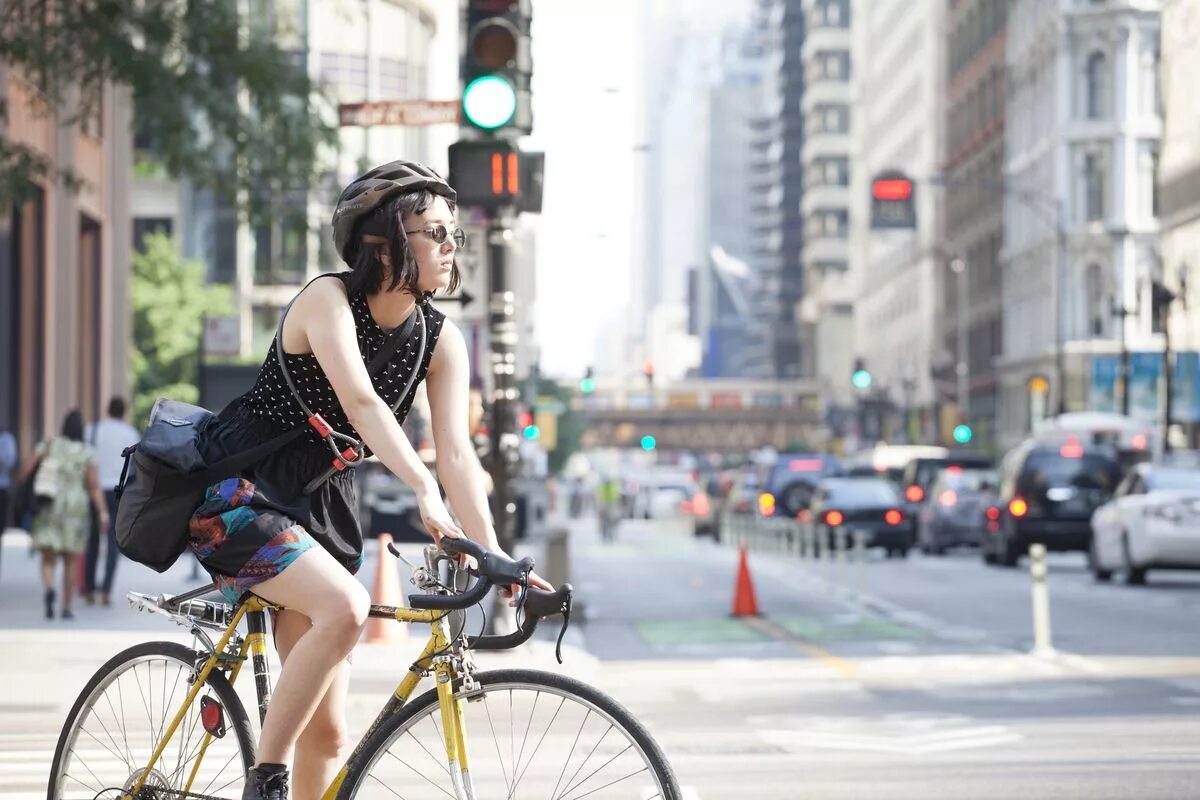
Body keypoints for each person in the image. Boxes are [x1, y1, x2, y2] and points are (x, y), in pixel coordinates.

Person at [183, 161, 551, 800]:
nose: (449, 246)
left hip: (321, 509)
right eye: (433, 232)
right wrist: (420, 486)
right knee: (348, 608)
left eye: (453, 233)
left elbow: (458, 456)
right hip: (242, 493)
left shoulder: (440, 340)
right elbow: (361, 402)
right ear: (382, 242)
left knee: (326, 733)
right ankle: (264, 779)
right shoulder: (325, 300)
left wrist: (492, 553)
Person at [23, 410, 109, 620]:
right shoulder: (88, 451)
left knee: (48, 556)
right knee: (71, 559)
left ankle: (49, 588)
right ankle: (66, 606)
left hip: (49, 504)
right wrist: (102, 511)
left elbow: (27, 469)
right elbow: (93, 484)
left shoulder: (50, 444)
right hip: (75, 508)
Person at [82, 396, 140, 606]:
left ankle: (88, 589)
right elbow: (135, 464)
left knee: (92, 541)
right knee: (113, 543)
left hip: (95, 490)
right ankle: (106, 591)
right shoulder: (130, 433)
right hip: (118, 491)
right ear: (124, 411)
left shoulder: (93, 429)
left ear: (107, 410)